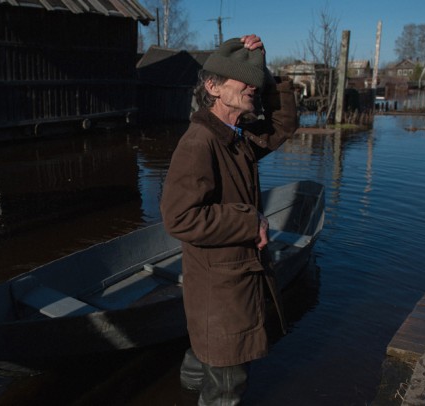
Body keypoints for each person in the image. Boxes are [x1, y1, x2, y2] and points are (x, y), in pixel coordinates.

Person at [160, 34, 298, 405]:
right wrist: (249, 220)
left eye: (256, 82)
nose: (253, 87)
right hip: (219, 288)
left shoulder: (236, 136)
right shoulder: (200, 142)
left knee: (210, 358)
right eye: (245, 81)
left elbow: (282, 125)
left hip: (230, 282)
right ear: (213, 86)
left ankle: (188, 386)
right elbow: (179, 218)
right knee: (228, 383)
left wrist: (266, 69)